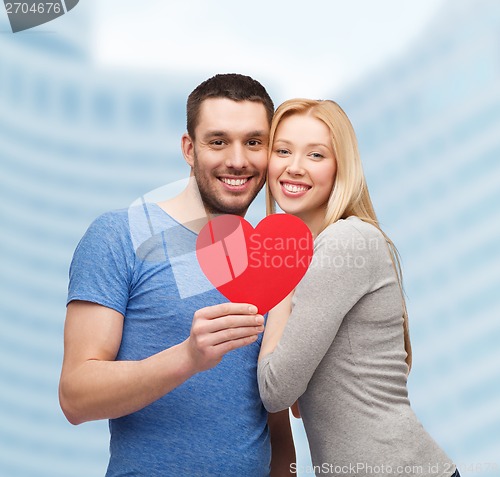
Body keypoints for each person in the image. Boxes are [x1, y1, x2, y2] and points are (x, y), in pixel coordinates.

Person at [59, 74, 295, 477]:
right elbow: (75, 397)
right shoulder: (120, 234)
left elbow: (273, 417)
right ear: (189, 148)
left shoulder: (273, 259)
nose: (237, 160)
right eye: (218, 141)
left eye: (253, 142)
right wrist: (187, 358)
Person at [257, 99, 460, 477]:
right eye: (282, 151)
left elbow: (276, 390)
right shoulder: (322, 250)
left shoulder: (345, 242)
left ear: (340, 167)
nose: (294, 167)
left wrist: (279, 283)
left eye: (316, 154)